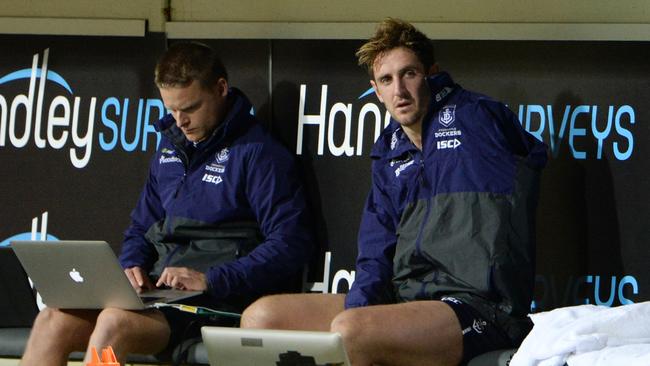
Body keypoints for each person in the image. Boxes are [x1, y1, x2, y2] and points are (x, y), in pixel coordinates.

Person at [241, 18, 548, 366]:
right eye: (387, 80)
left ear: (432, 74)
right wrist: (363, 306)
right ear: (376, 89)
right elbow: (376, 248)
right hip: (404, 299)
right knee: (261, 319)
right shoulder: (390, 149)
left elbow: (530, 155)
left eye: (410, 74)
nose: (399, 90)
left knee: (351, 331)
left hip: (477, 305)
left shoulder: (475, 118)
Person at [20, 42, 314, 365]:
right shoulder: (170, 148)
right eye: (171, 110)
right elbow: (141, 227)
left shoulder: (259, 154)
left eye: (189, 109)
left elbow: (291, 244)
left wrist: (212, 279)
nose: (180, 121)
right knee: (52, 321)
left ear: (221, 89)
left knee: (113, 324)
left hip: (215, 303)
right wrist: (130, 266)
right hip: (161, 297)